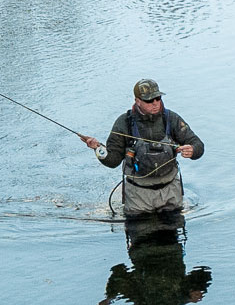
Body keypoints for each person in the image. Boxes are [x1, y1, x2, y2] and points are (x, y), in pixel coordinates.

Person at [80, 78, 204, 216]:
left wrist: (193, 150)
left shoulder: (171, 119)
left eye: (158, 98)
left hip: (171, 192)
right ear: (137, 101)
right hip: (138, 196)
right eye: (149, 100)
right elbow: (113, 161)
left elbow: (198, 144)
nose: (155, 103)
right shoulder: (124, 123)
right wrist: (98, 149)